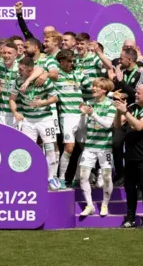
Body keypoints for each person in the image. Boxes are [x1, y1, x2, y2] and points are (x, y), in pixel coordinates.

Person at [113, 84, 143, 229]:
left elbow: (139, 126)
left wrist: (125, 112)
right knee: (129, 188)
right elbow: (117, 125)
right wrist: (119, 111)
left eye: (139, 93)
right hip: (130, 154)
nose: (136, 94)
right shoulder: (133, 106)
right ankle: (130, 218)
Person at [9, 57, 59, 190]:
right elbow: (12, 99)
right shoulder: (18, 80)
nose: (18, 71)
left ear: (30, 70)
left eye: (21, 69)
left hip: (45, 119)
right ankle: (30, 177)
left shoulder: (43, 80)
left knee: (49, 148)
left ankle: (51, 178)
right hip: (28, 121)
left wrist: (42, 103)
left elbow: (55, 97)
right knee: (28, 149)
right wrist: (15, 112)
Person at [112, 47, 143, 186]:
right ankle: (120, 174)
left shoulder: (141, 74)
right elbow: (118, 91)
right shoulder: (121, 72)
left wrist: (121, 81)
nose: (119, 60)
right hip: (120, 112)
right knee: (116, 144)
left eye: (122, 58)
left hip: (133, 114)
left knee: (130, 147)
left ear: (130, 59)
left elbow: (136, 94)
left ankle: (133, 179)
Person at [53, 49, 92, 189]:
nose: (72, 64)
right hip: (67, 116)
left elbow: (93, 88)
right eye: (69, 61)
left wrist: (110, 92)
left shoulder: (78, 74)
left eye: (73, 61)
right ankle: (61, 178)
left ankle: (78, 177)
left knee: (85, 148)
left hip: (82, 115)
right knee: (69, 147)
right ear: (61, 62)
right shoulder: (56, 76)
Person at [78, 78, 117, 217]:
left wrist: (92, 114)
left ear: (105, 90)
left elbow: (107, 125)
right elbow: (82, 127)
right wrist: (82, 114)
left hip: (104, 146)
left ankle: (105, 204)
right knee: (83, 177)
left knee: (107, 177)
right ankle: (90, 205)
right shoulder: (89, 104)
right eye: (93, 86)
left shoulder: (110, 105)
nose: (93, 89)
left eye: (97, 87)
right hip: (89, 146)